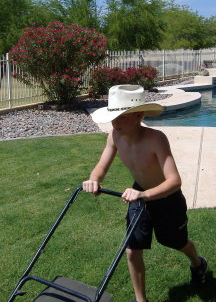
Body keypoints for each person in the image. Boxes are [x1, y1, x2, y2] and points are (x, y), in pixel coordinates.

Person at [82, 84, 207, 302]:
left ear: (139, 115)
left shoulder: (156, 139)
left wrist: (145, 195)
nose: (115, 122)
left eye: (121, 116)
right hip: (139, 195)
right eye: (113, 116)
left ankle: (197, 262)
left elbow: (174, 181)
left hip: (166, 199)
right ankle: (141, 300)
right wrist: (94, 180)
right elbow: (101, 167)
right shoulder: (114, 137)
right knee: (133, 249)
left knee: (175, 242)